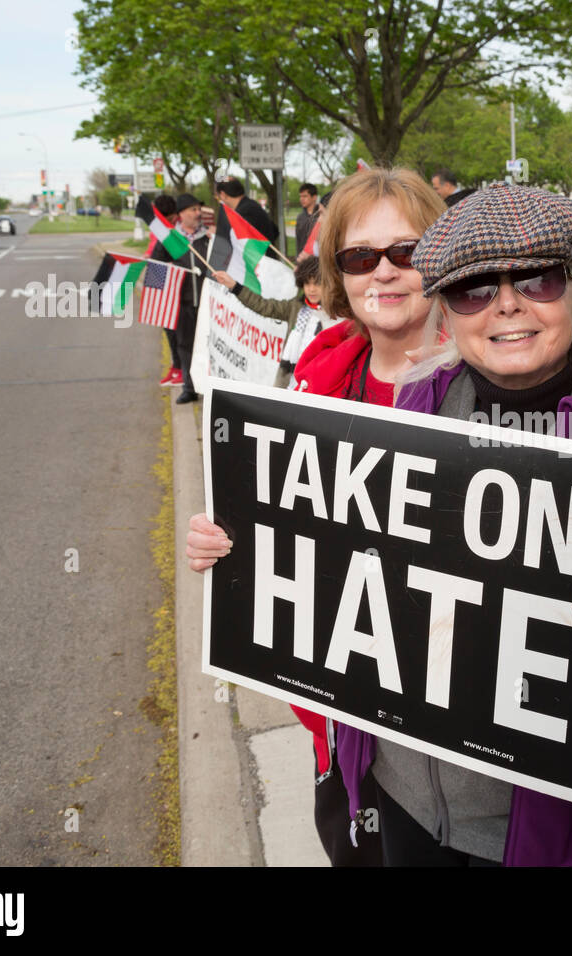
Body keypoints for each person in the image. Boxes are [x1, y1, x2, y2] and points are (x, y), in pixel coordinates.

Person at [329, 181, 572, 867]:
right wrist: (236, 545)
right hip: (407, 797)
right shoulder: (414, 405)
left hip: (542, 825)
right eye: (475, 288)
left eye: (536, 280)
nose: (506, 304)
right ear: (448, 312)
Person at [186, 166, 445, 866]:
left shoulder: (495, 380)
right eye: (361, 257)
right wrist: (223, 542)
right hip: (345, 731)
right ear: (338, 272)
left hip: (460, 751)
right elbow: (277, 534)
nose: (384, 274)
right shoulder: (317, 380)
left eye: (408, 253)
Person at [209, 255, 339, 388]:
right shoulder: (296, 307)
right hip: (289, 380)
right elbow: (264, 306)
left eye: (317, 283)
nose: (311, 289)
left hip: (320, 381)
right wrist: (235, 286)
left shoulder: (337, 315)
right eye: (307, 283)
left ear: (328, 284)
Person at [157, 193, 212, 405]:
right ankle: (189, 388)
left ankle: (209, 388)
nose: (198, 214)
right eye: (193, 210)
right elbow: (156, 268)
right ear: (181, 214)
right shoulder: (171, 240)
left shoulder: (208, 237)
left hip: (208, 303)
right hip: (183, 303)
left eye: (199, 209)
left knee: (209, 346)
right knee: (185, 346)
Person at [147, 194, 183, 387]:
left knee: (175, 328)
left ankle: (180, 366)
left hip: (172, 283)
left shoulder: (174, 231)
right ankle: (175, 364)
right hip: (159, 276)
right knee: (167, 326)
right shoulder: (161, 228)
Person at [216, 175, 278, 244]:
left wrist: (218, 233)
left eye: (218, 197)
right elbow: (275, 231)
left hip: (258, 254)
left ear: (223, 194)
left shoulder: (244, 212)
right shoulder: (251, 205)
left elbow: (239, 239)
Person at [294, 183, 320, 261]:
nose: (301, 199)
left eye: (305, 196)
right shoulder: (300, 218)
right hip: (304, 261)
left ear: (314, 197)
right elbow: (298, 241)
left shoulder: (322, 216)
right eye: (300, 196)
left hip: (319, 261)